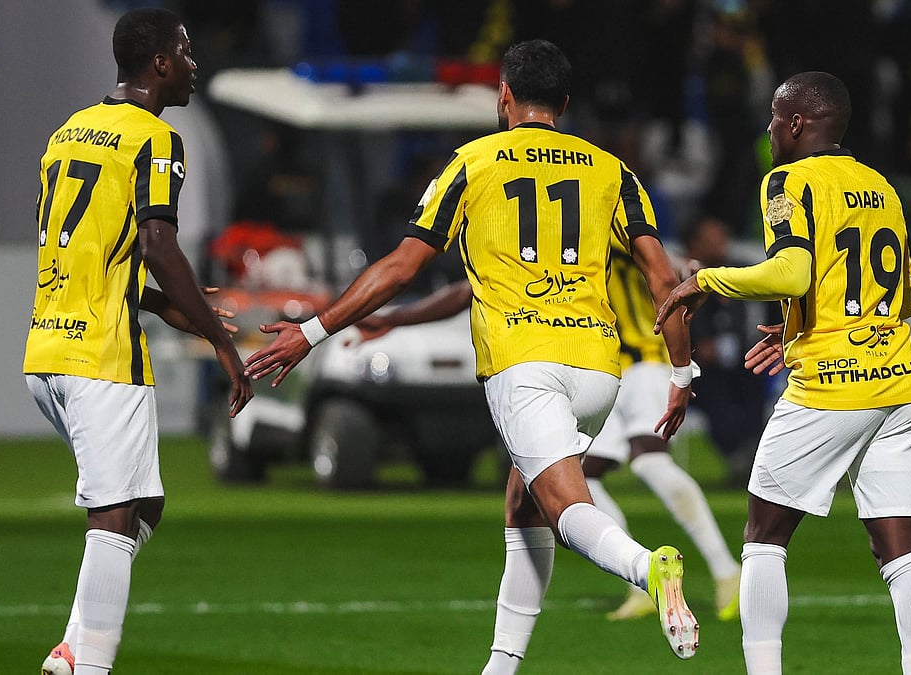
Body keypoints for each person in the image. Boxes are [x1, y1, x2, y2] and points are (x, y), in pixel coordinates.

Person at [243, 39, 700, 670]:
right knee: (523, 500)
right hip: (600, 369)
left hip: (524, 363)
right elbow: (664, 277)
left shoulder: (474, 163)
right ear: (564, 106)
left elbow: (403, 267)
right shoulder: (612, 170)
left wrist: (314, 331)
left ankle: (648, 567)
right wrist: (681, 372)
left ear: (504, 96)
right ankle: (500, 667)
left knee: (566, 506)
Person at [655, 72, 911, 674]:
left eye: (772, 118)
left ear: (793, 125)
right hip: (901, 383)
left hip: (833, 387)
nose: (767, 130)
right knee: (900, 550)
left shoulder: (787, 181)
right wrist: (801, 327)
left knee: (763, 537)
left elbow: (791, 274)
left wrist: (707, 279)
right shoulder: (880, 185)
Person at [24, 9, 251, 675]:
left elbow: (102, 259)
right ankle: (90, 665)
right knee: (116, 512)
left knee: (142, 502)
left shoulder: (68, 134)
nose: (193, 64)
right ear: (158, 63)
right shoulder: (153, 138)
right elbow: (158, 242)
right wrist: (220, 339)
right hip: (101, 355)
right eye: (185, 52)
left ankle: (72, 650)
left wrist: (173, 306)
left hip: (47, 351)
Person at [348, 242, 743, 625]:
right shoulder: (582, 229)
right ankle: (641, 581)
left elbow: (668, 266)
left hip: (647, 361)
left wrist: (695, 278)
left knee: (649, 460)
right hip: (603, 368)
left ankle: (727, 573)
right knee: (583, 480)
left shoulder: (597, 223)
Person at [681, 215, 782, 486]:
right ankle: (740, 455)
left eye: (721, 239)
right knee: (713, 393)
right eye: (711, 241)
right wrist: (695, 346)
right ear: (694, 244)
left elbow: (773, 308)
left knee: (753, 385)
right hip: (696, 367)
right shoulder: (682, 277)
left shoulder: (740, 274)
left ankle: (751, 453)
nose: (720, 246)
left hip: (742, 360)